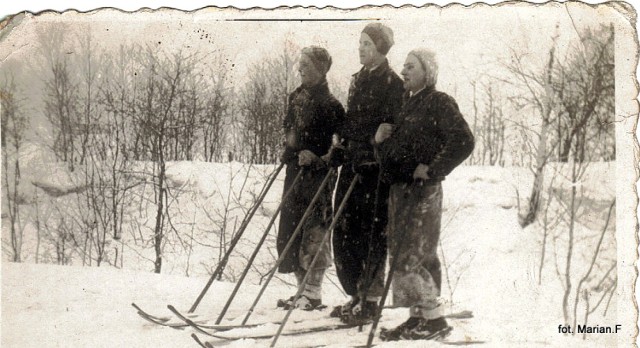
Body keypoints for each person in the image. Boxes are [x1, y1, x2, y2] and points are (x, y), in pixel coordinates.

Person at [374, 48, 474, 341]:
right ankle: (417, 317)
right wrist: (379, 142)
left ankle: (433, 319)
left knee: (416, 254)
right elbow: (392, 153)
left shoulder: (439, 102)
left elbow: (464, 140)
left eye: (410, 67)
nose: (403, 71)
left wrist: (432, 169)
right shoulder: (405, 105)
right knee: (403, 253)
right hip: (400, 190)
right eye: (403, 66)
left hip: (422, 191)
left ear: (427, 72)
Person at [329, 23, 404, 324]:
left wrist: (374, 150)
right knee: (345, 231)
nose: (360, 48)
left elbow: (393, 129)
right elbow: (352, 123)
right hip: (351, 167)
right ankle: (355, 294)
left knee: (370, 233)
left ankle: (371, 299)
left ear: (381, 48)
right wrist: (340, 141)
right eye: (359, 43)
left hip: (374, 174)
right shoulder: (357, 80)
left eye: (367, 44)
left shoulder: (393, 84)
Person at [276, 46, 345, 311]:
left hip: (319, 178)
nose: (300, 68)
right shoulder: (296, 97)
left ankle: (313, 293)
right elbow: (289, 130)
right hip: (295, 173)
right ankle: (301, 291)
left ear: (321, 68)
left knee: (314, 231)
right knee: (291, 230)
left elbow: (338, 147)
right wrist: (289, 149)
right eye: (300, 63)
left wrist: (318, 159)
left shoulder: (332, 106)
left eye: (306, 64)